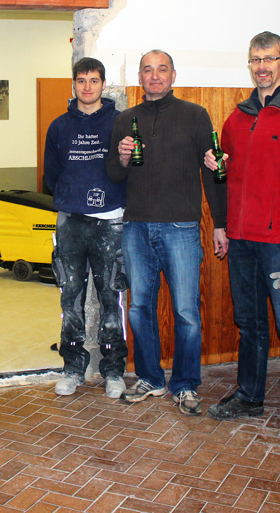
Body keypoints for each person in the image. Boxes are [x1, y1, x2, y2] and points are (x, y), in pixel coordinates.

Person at [203, 31, 280, 448]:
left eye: (269, 59)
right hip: (241, 240)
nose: (262, 67)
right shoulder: (237, 119)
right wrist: (221, 218)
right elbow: (227, 174)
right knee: (250, 324)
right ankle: (249, 397)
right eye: (256, 59)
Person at [107, 50, 227, 415]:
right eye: (148, 70)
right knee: (140, 308)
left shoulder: (195, 115)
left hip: (181, 228)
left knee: (187, 311)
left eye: (162, 69)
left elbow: (212, 170)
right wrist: (123, 157)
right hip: (136, 228)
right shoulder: (125, 119)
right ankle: (150, 378)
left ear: (173, 75)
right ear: (139, 77)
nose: (155, 75)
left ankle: (186, 384)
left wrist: (220, 223)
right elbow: (114, 174)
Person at [44, 57, 128, 399]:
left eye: (94, 80)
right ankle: (72, 368)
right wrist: (71, 199)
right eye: (81, 80)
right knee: (71, 297)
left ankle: (114, 370)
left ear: (103, 84)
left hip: (110, 220)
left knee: (111, 297)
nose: (88, 86)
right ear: (74, 84)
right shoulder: (58, 127)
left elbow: (129, 168)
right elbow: (51, 174)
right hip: (70, 221)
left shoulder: (121, 122)